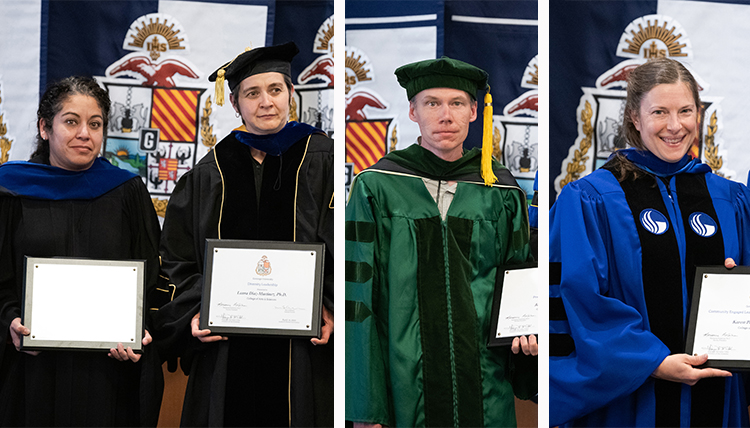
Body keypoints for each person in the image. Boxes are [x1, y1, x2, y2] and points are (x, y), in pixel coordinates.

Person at [549, 57, 750, 426]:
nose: (675, 126)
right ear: (634, 118)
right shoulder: (590, 199)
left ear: (700, 114)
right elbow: (577, 297)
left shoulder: (731, 199)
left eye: (685, 111)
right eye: (659, 112)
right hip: (628, 405)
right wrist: (652, 361)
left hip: (717, 400)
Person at [345, 57, 537, 428]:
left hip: (485, 383)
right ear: (413, 111)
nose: (445, 116)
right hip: (403, 386)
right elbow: (359, 302)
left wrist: (528, 340)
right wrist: (365, 406)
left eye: (457, 103)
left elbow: (516, 286)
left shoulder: (501, 190)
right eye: (432, 103)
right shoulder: (376, 186)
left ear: (474, 112)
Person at [152, 42, 334, 427]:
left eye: (275, 90)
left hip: (301, 354)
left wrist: (329, 307)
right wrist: (194, 313)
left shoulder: (323, 160)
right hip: (225, 356)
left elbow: (346, 247)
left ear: (291, 95)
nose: (266, 102)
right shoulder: (211, 171)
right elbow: (176, 258)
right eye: (252, 93)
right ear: (235, 104)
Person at [0, 76, 164, 426]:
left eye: (95, 124)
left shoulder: (127, 192)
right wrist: (9, 321)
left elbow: (153, 274)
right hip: (31, 369)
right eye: (71, 121)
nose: (84, 134)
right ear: (45, 128)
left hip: (105, 371)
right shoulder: (11, 191)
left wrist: (141, 327)